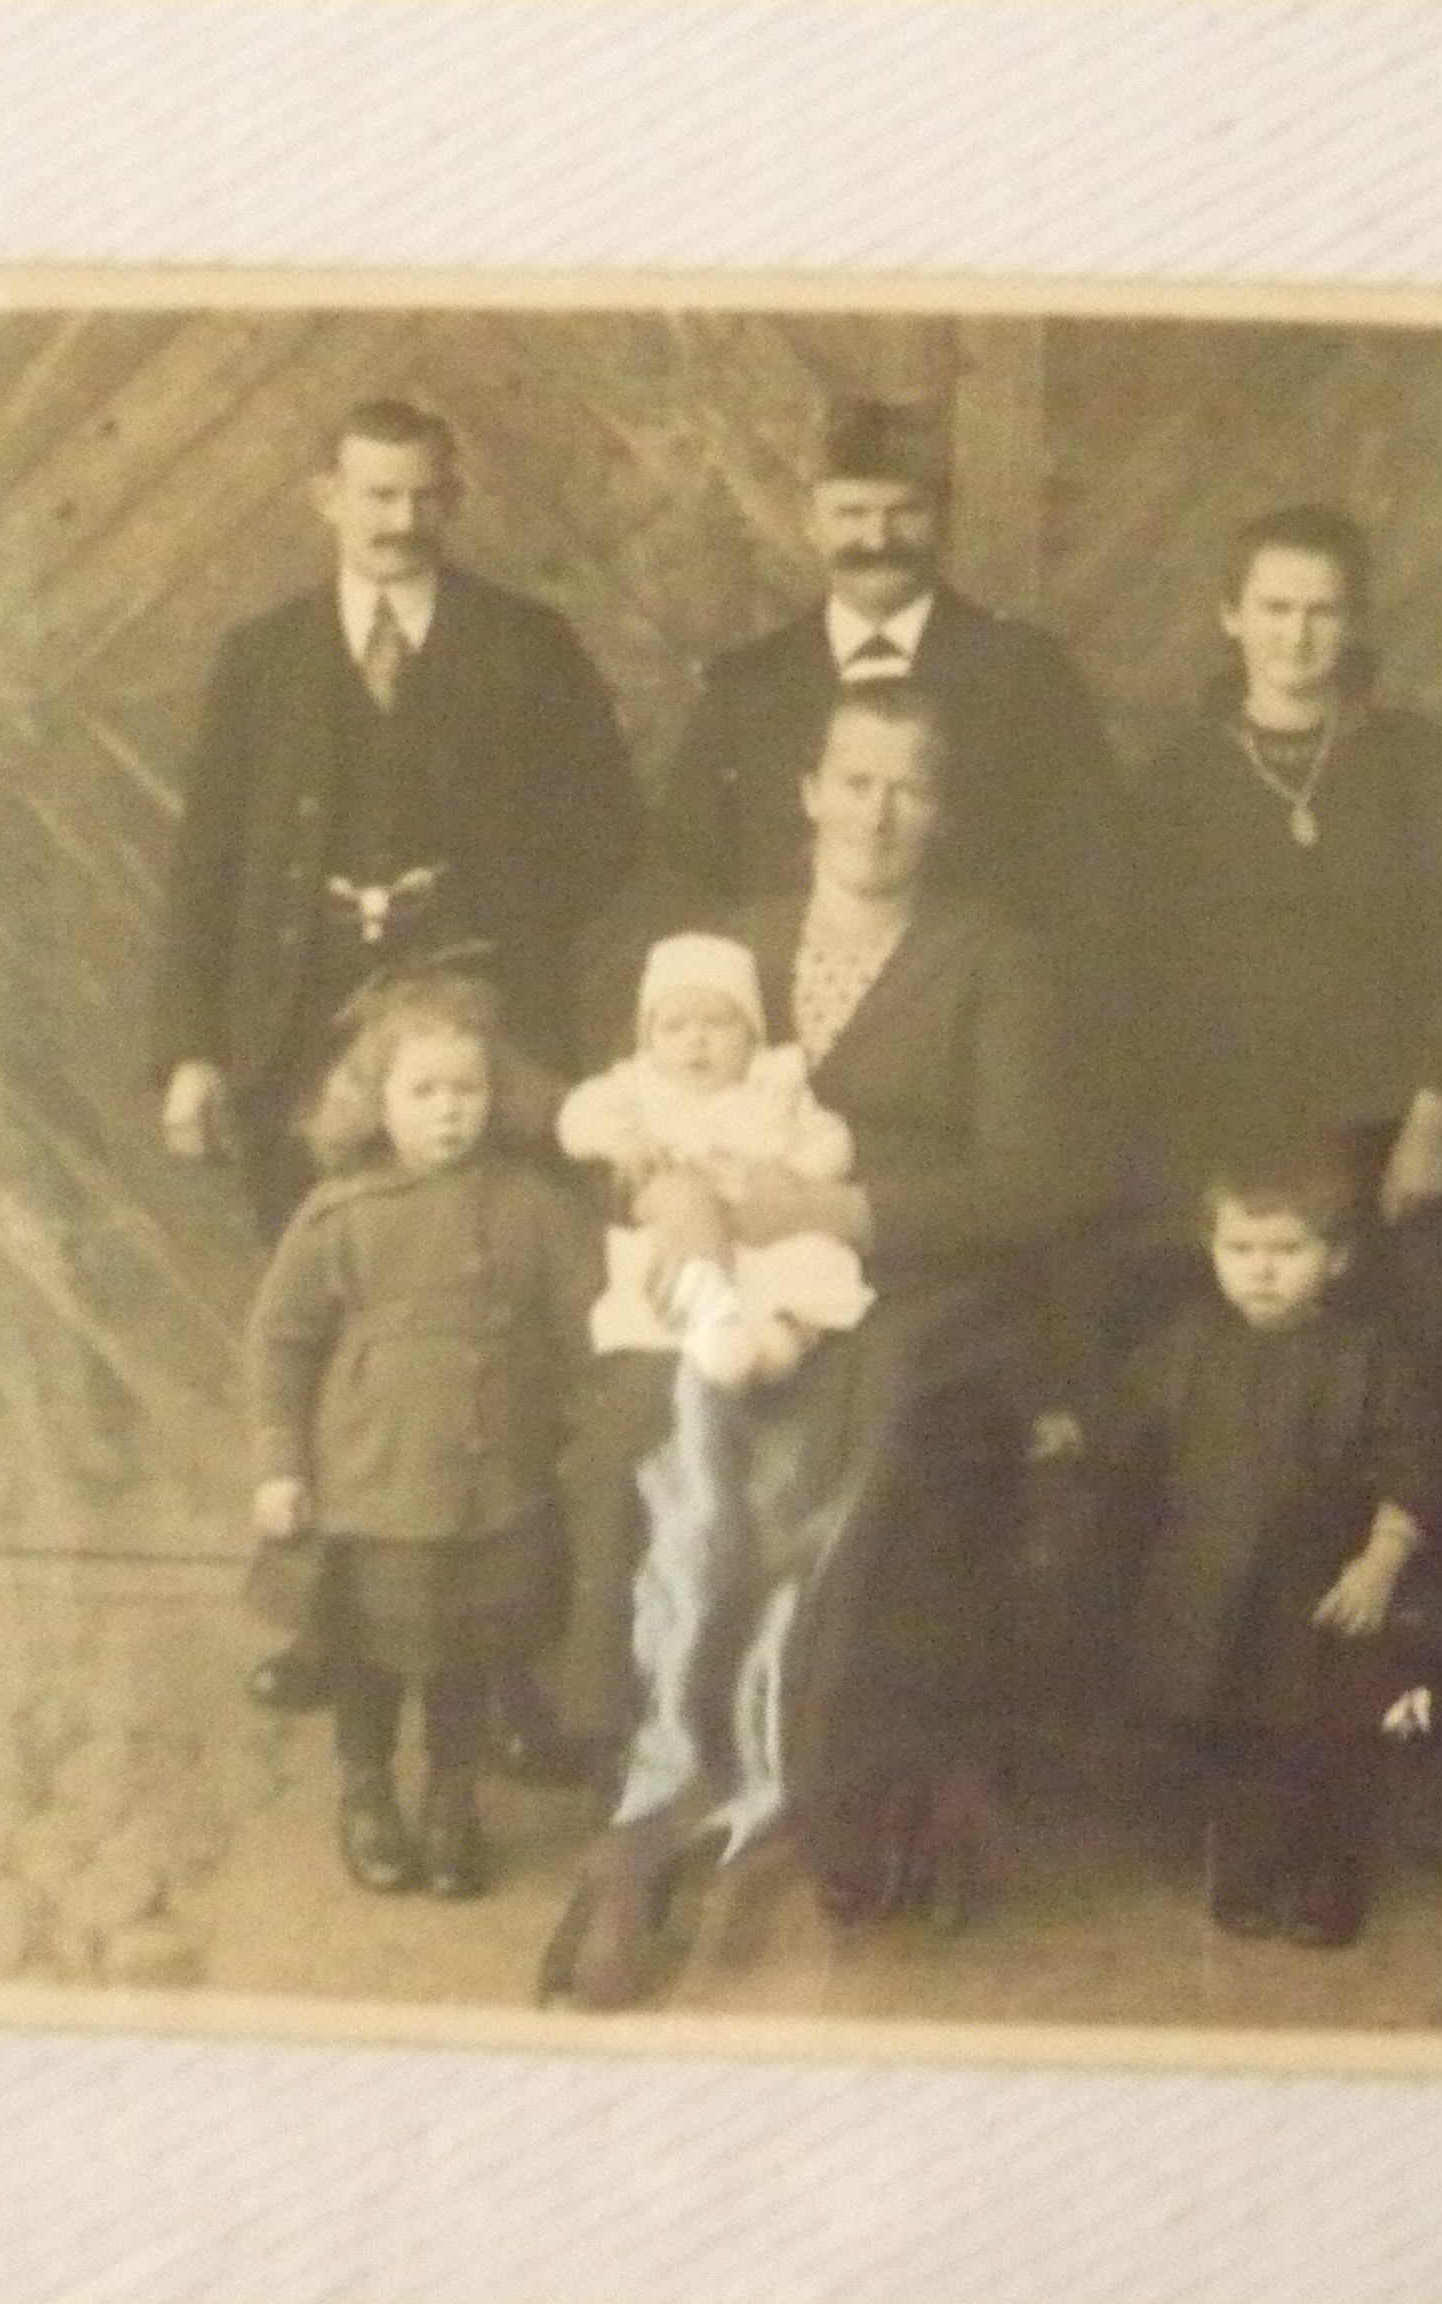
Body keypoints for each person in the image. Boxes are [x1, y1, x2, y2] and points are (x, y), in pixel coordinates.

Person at [542, 682, 1097, 2009]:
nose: (878, 812)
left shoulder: (992, 956)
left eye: (909, 787)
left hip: (916, 1286)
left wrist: (835, 1211)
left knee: (860, 1443)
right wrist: (671, 1190)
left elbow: (1032, 1182)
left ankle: (798, 1801)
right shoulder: (731, 943)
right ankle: (643, 1805)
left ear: (942, 810)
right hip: (730, 1274)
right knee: (638, 1431)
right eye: (856, 781)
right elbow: (643, 1109)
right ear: (808, 794)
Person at [153, 395, 638, 1753]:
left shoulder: (527, 647)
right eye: (375, 494)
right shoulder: (263, 658)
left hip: (480, 1039)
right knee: (337, 1341)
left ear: (455, 496)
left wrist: (485, 917)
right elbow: (204, 866)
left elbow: (609, 828)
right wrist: (191, 1050)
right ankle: (331, 1625)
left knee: (497, 1339)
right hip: (298, 1043)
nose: (401, 519)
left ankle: (514, 1652)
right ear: (325, 496)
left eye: (425, 494)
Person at [1133, 503, 1442, 1577]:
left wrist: (1429, 1120)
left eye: (1321, 611)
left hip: (1387, 1128)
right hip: (1239, 1132)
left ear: (1353, 623)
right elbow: (1154, 979)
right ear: (1230, 616)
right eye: (1273, 608)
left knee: (1411, 1374)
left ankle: (1419, 1625)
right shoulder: (1179, 779)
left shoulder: (1412, 763)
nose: (1296, 636)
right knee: (1250, 1390)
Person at [647, 397, 1140, 1148]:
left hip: (965, 1078)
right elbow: (687, 876)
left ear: (943, 520)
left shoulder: (1024, 677)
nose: (876, 538)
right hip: (767, 1074)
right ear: (810, 521)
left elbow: (1090, 883)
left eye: (904, 512)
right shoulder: (748, 686)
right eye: (850, 513)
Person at [243, 972, 601, 1901]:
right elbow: (281, 1345)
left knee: (466, 1652)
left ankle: (452, 1796)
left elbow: (588, 1327)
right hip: (374, 1476)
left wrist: (582, 1434)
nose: (448, 1111)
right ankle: (365, 1792)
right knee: (368, 1648)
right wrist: (280, 1465)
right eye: (423, 1091)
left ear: (496, 1096)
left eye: (467, 1089)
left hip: (494, 1478)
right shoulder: (339, 1213)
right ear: (376, 1103)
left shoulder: (533, 1206)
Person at [1039, 1156, 1442, 1948]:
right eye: (1240, 1249)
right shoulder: (1189, 1344)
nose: (1262, 1271)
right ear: (1213, 1252)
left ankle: (1327, 1878)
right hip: (1212, 1583)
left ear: (1336, 1259)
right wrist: (1067, 1433)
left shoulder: (1365, 1359)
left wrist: (1379, 1564)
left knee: (1323, 1738)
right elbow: (1124, 1425)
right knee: (1235, 1734)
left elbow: (1416, 1465)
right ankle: (1248, 1866)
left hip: (1317, 1590)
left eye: (1287, 1251)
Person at [557, 931, 874, 1391]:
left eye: (718, 1024)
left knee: (809, 1262)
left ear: (751, 1036)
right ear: (648, 1039)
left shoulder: (773, 1085)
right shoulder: (639, 1086)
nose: (697, 1041)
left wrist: (796, 1174)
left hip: (763, 1221)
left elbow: (832, 1138)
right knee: (674, 1268)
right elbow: (574, 1119)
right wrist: (622, 1144)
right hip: (684, 1225)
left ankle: (780, 1341)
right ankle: (714, 1328)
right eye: (675, 1027)